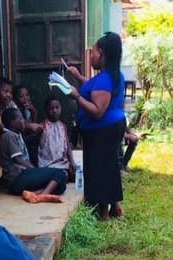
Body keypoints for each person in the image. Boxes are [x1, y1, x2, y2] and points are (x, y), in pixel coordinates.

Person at [64, 32, 127, 219]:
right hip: (111, 128)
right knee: (109, 166)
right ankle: (114, 206)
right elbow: (93, 88)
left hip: (102, 131)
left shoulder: (105, 79)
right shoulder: (111, 76)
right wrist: (78, 77)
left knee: (100, 169)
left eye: (93, 52)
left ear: (102, 54)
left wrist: (75, 96)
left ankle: (103, 213)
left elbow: (97, 110)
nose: (91, 56)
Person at [0, 107, 67, 203]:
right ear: (12, 122)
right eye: (21, 119)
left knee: (61, 185)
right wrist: (35, 169)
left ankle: (34, 194)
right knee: (60, 173)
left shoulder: (17, 135)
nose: (24, 122)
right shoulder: (8, 136)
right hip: (16, 179)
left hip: (22, 177)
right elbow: (18, 159)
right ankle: (41, 196)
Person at [38, 95, 77, 177]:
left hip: (62, 163)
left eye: (57, 107)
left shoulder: (62, 126)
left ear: (61, 108)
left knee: (75, 174)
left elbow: (67, 146)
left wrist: (72, 161)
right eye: (51, 108)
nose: (54, 111)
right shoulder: (42, 126)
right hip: (47, 164)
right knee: (62, 177)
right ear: (46, 110)